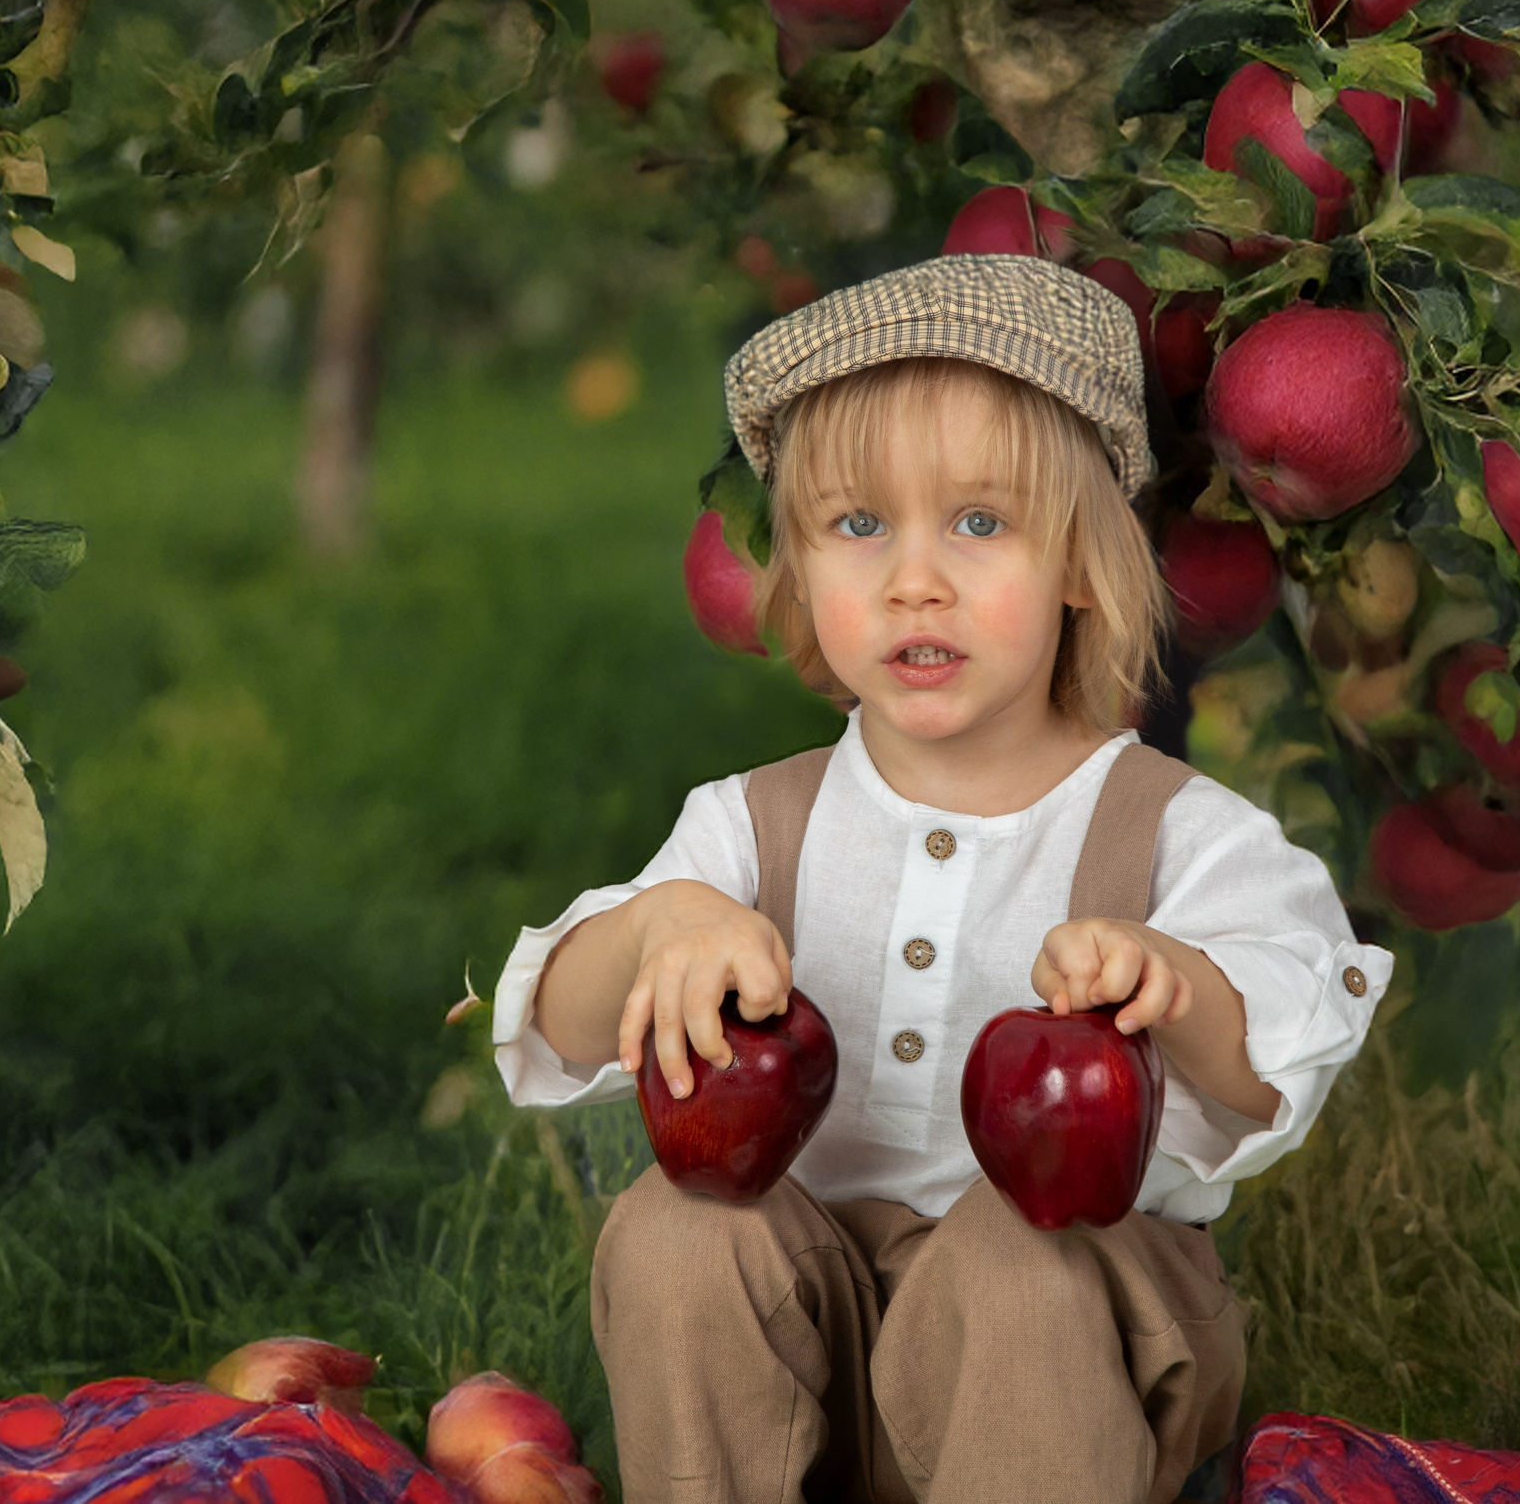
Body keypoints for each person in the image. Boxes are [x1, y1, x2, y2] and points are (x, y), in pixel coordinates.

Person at [486, 254, 1389, 1504]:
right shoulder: (752, 828)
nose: (915, 577)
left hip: (1057, 1363)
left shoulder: (1173, 832)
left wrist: (1172, 980)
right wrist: (660, 930)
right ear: (798, 572)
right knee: (676, 1234)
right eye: (860, 526)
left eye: (978, 522)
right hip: (799, 1354)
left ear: (1080, 562)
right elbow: (557, 1021)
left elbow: (1283, 1045)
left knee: (1018, 1266)